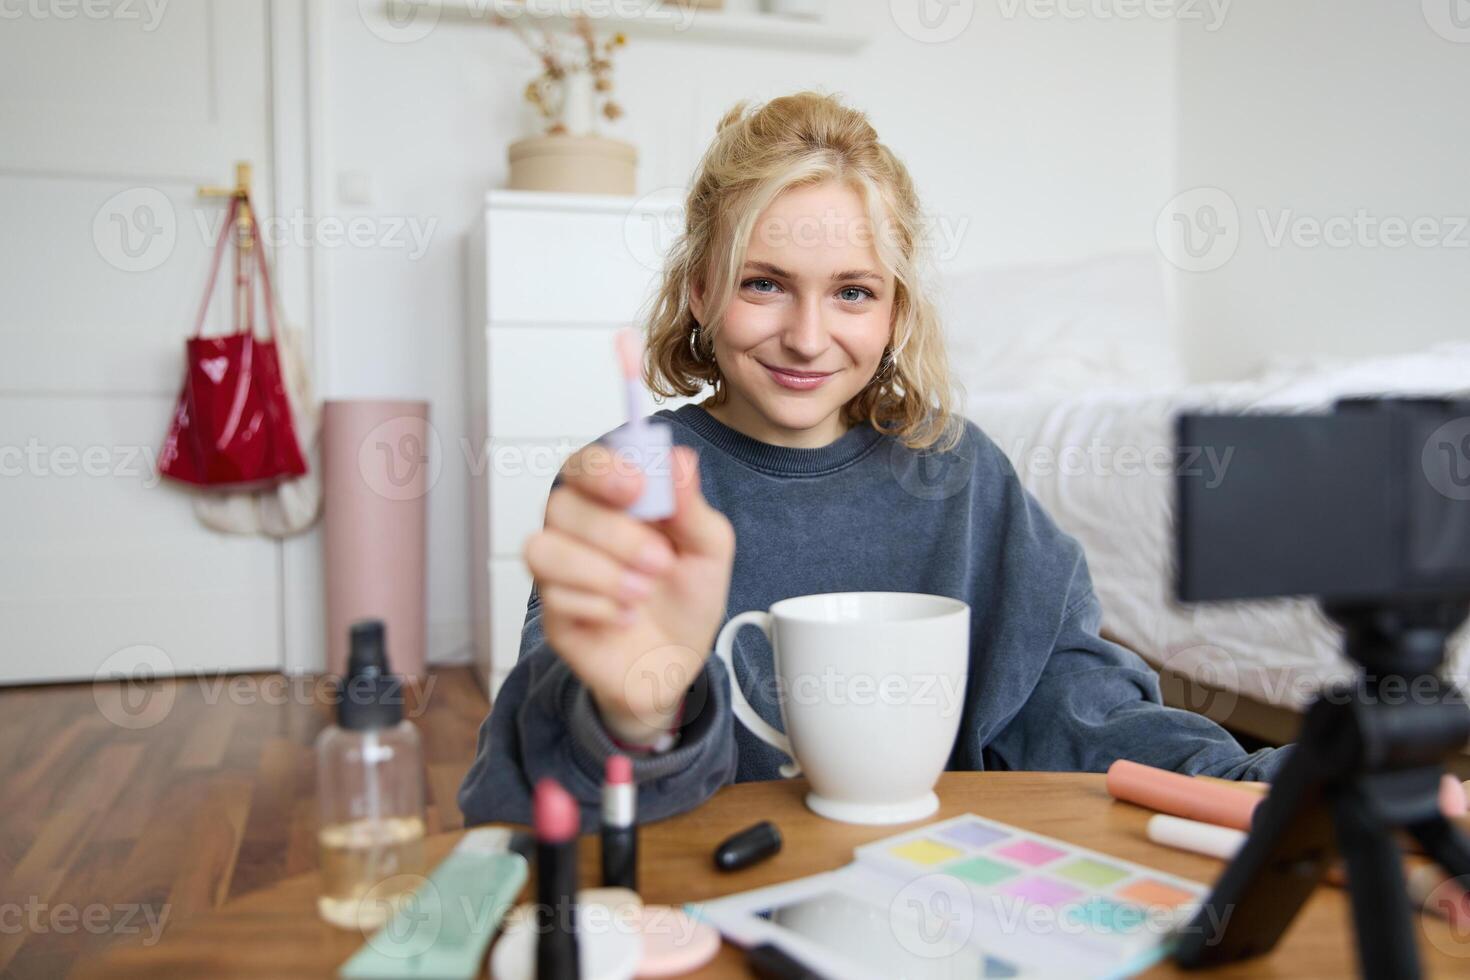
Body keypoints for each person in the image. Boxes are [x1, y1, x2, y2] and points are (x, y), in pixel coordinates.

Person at [459, 91, 1284, 828]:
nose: (809, 338)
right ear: (702, 291)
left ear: (894, 312)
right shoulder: (626, 485)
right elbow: (514, 802)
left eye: (853, 292)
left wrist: (1267, 783)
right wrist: (635, 711)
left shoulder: (961, 476)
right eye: (763, 285)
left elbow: (1084, 709)